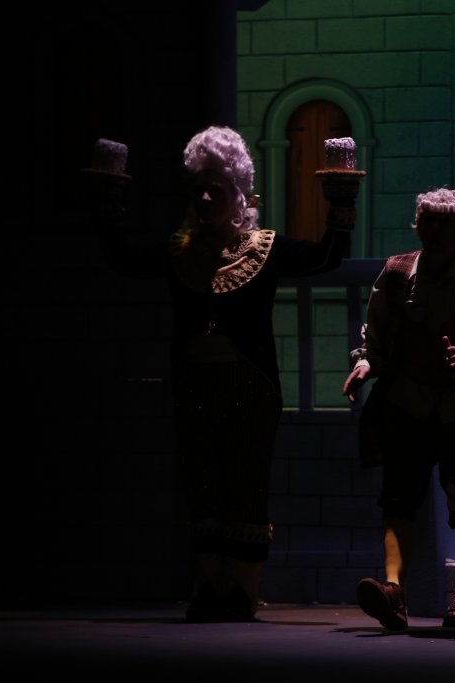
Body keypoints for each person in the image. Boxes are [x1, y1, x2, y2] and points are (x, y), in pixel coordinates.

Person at [83, 126, 359, 622]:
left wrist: (341, 200)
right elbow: (121, 258)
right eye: (199, 189)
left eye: (216, 189)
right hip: (193, 384)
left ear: (239, 193)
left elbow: (326, 255)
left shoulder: (264, 248)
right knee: (202, 482)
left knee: (246, 483)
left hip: (250, 387)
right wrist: (107, 197)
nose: (206, 198)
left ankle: (242, 588)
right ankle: (209, 583)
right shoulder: (180, 250)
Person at [342, 188, 455, 630]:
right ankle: (393, 589)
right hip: (408, 405)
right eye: (429, 221)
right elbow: (376, 335)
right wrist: (365, 364)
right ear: (418, 226)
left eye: (447, 222)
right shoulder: (396, 274)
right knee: (398, 501)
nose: (436, 230)